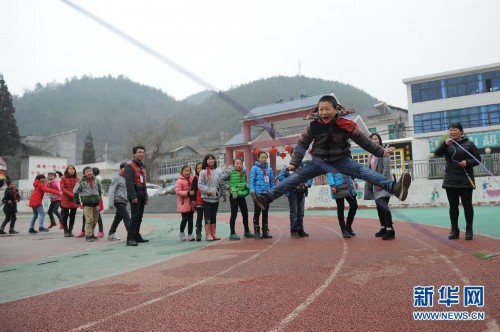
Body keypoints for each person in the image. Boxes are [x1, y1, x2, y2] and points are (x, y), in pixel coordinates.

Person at [251, 95, 412, 215]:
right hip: (319, 161)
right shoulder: (312, 127)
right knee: (295, 177)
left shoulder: (346, 126)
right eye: (321, 109)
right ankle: (266, 198)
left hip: (341, 159)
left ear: (336, 110)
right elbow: (301, 145)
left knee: (365, 172)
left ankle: (395, 188)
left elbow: (364, 141)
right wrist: (294, 162)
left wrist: (381, 151)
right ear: (317, 111)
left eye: (328, 109)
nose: (324, 112)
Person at [434, 123, 481, 240]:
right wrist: (445, 144)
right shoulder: (447, 144)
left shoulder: (469, 144)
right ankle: (454, 230)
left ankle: (469, 230)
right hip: (451, 180)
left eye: (455, 130)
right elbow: (437, 153)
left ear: (461, 131)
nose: (452, 132)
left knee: (467, 206)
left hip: (466, 179)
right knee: (453, 206)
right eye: (450, 130)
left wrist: (467, 163)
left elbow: (477, 159)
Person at [364, 133, 396, 240]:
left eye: (376, 139)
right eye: (372, 139)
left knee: (384, 207)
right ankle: (383, 228)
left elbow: (386, 169)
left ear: (379, 140)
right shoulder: (370, 155)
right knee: (379, 207)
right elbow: (369, 170)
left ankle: (390, 230)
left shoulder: (384, 151)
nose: (374, 141)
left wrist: (381, 183)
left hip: (384, 183)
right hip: (374, 185)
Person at [278, 155, 312, 238]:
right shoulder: (287, 166)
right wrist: (289, 182)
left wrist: (308, 183)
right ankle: (293, 231)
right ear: (292, 155)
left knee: (301, 212)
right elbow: (280, 177)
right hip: (292, 192)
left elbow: (310, 175)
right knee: (294, 212)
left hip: (302, 191)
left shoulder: (304, 166)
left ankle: (300, 230)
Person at [124, 146, 149, 246]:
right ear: (134, 154)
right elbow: (129, 183)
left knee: (139, 217)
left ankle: (137, 236)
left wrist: (146, 196)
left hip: (142, 194)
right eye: (139, 152)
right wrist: (133, 196)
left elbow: (144, 183)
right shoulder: (129, 166)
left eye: (143, 152)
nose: (141, 154)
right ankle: (130, 238)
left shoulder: (142, 167)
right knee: (134, 217)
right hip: (135, 195)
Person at [224, 158, 253, 240]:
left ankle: (247, 231)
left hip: (242, 195)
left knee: (245, 213)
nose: (239, 165)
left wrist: (246, 187)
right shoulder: (229, 171)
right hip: (234, 196)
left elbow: (244, 181)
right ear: (233, 164)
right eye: (237, 163)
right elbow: (221, 180)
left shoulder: (243, 171)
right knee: (234, 214)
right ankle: (232, 233)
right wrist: (229, 188)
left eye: (240, 163)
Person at [198, 154, 225, 241]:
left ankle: (213, 233)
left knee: (214, 216)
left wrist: (223, 194)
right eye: (209, 159)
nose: (211, 160)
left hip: (216, 198)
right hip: (207, 198)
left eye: (212, 159)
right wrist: (207, 190)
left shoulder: (219, 171)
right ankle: (208, 234)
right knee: (208, 216)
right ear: (206, 161)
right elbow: (200, 184)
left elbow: (221, 183)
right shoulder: (203, 172)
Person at [73, 166, 102, 242]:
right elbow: (75, 192)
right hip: (87, 204)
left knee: (95, 220)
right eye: (87, 171)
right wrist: (78, 202)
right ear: (84, 173)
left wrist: (98, 198)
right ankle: (88, 235)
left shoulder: (97, 181)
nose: (89, 172)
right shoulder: (81, 182)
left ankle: (92, 233)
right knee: (89, 220)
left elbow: (100, 190)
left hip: (96, 204)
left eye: (90, 171)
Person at [249, 151, 274, 239]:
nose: (264, 159)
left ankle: (265, 231)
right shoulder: (254, 168)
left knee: (265, 213)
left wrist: (272, 192)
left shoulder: (270, 169)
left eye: (265, 157)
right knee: (257, 212)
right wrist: (252, 191)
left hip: (266, 194)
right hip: (257, 194)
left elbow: (272, 182)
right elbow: (251, 181)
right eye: (262, 157)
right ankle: (256, 232)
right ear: (258, 158)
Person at [327, 172, 358, 238]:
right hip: (337, 187)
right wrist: (332, 185)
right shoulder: (331, 162)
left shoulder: (346, 161)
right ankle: (343, 229)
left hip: (349, 185)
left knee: (354, 206)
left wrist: (355, 180)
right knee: (340, 208)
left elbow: (351, 170)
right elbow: (329, 174)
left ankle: (348, 226)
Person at [107, 163, 130, 241]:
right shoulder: (117, 177)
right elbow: (111, 190)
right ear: (120, 169)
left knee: (118, 218)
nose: (127, 170)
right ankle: (131, 236)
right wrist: (110, 204)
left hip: (124, 201)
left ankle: (111, 233)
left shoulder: (128, 178)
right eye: (125, 168)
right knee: (126, 217)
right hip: (118, 200)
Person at [176, 165, 195, 241]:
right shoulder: (179, 181)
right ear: (182, 172)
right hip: (183, 203)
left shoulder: (192, 179)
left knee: (191, 220)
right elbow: (178, 191)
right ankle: (182, 232)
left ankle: (190, 234)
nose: (187, 172)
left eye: (188, 171)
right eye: (185, 171)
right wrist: (188, 193)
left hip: (191, 203)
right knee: (184, 219)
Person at [60, 165, 79, 237]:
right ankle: (65, 230)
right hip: (66, 199)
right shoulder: (63, 178)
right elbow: (62, 188)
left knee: (73, 216)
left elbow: (79, 188)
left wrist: (76, 195)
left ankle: (70, 230)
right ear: (67, 170)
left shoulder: (77, 179)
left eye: (73, 169)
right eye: (70, 169)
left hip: (74, 200)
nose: (72, 170)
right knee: (65, 216)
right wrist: (71, 195)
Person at [191, 162, 204, 241]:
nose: (199, 169)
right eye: (198, 168)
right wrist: (193, 200)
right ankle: (198, 233)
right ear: (196, 170)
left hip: (207, 200)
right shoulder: (195, 178)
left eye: (201, 168)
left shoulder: (206, 176)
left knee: (208, 218)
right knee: (199, 218)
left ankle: (209, 233)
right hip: (198, 201)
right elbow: (193, 190)